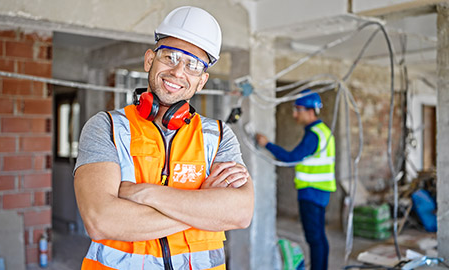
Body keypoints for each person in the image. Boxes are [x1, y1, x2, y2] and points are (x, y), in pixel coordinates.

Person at [73, 6, 254, 270]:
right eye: (170, 57)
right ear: (149, 60)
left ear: (202, 81)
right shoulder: (107, 128)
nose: (179, 72)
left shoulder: (219, 136)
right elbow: (100, 220)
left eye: (193, 65)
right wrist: (204, 206)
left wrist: (145, 194)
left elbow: (240, 213)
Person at [255, 89, 335, 270]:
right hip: (320, 191)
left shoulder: (314, 134)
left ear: (310, 110)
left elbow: (291, 158)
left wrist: (266, 144)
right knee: (319, 237)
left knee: (315, 239)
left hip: (312, 191)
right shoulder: (323, 131)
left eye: (298, 109)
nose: (294, 114)